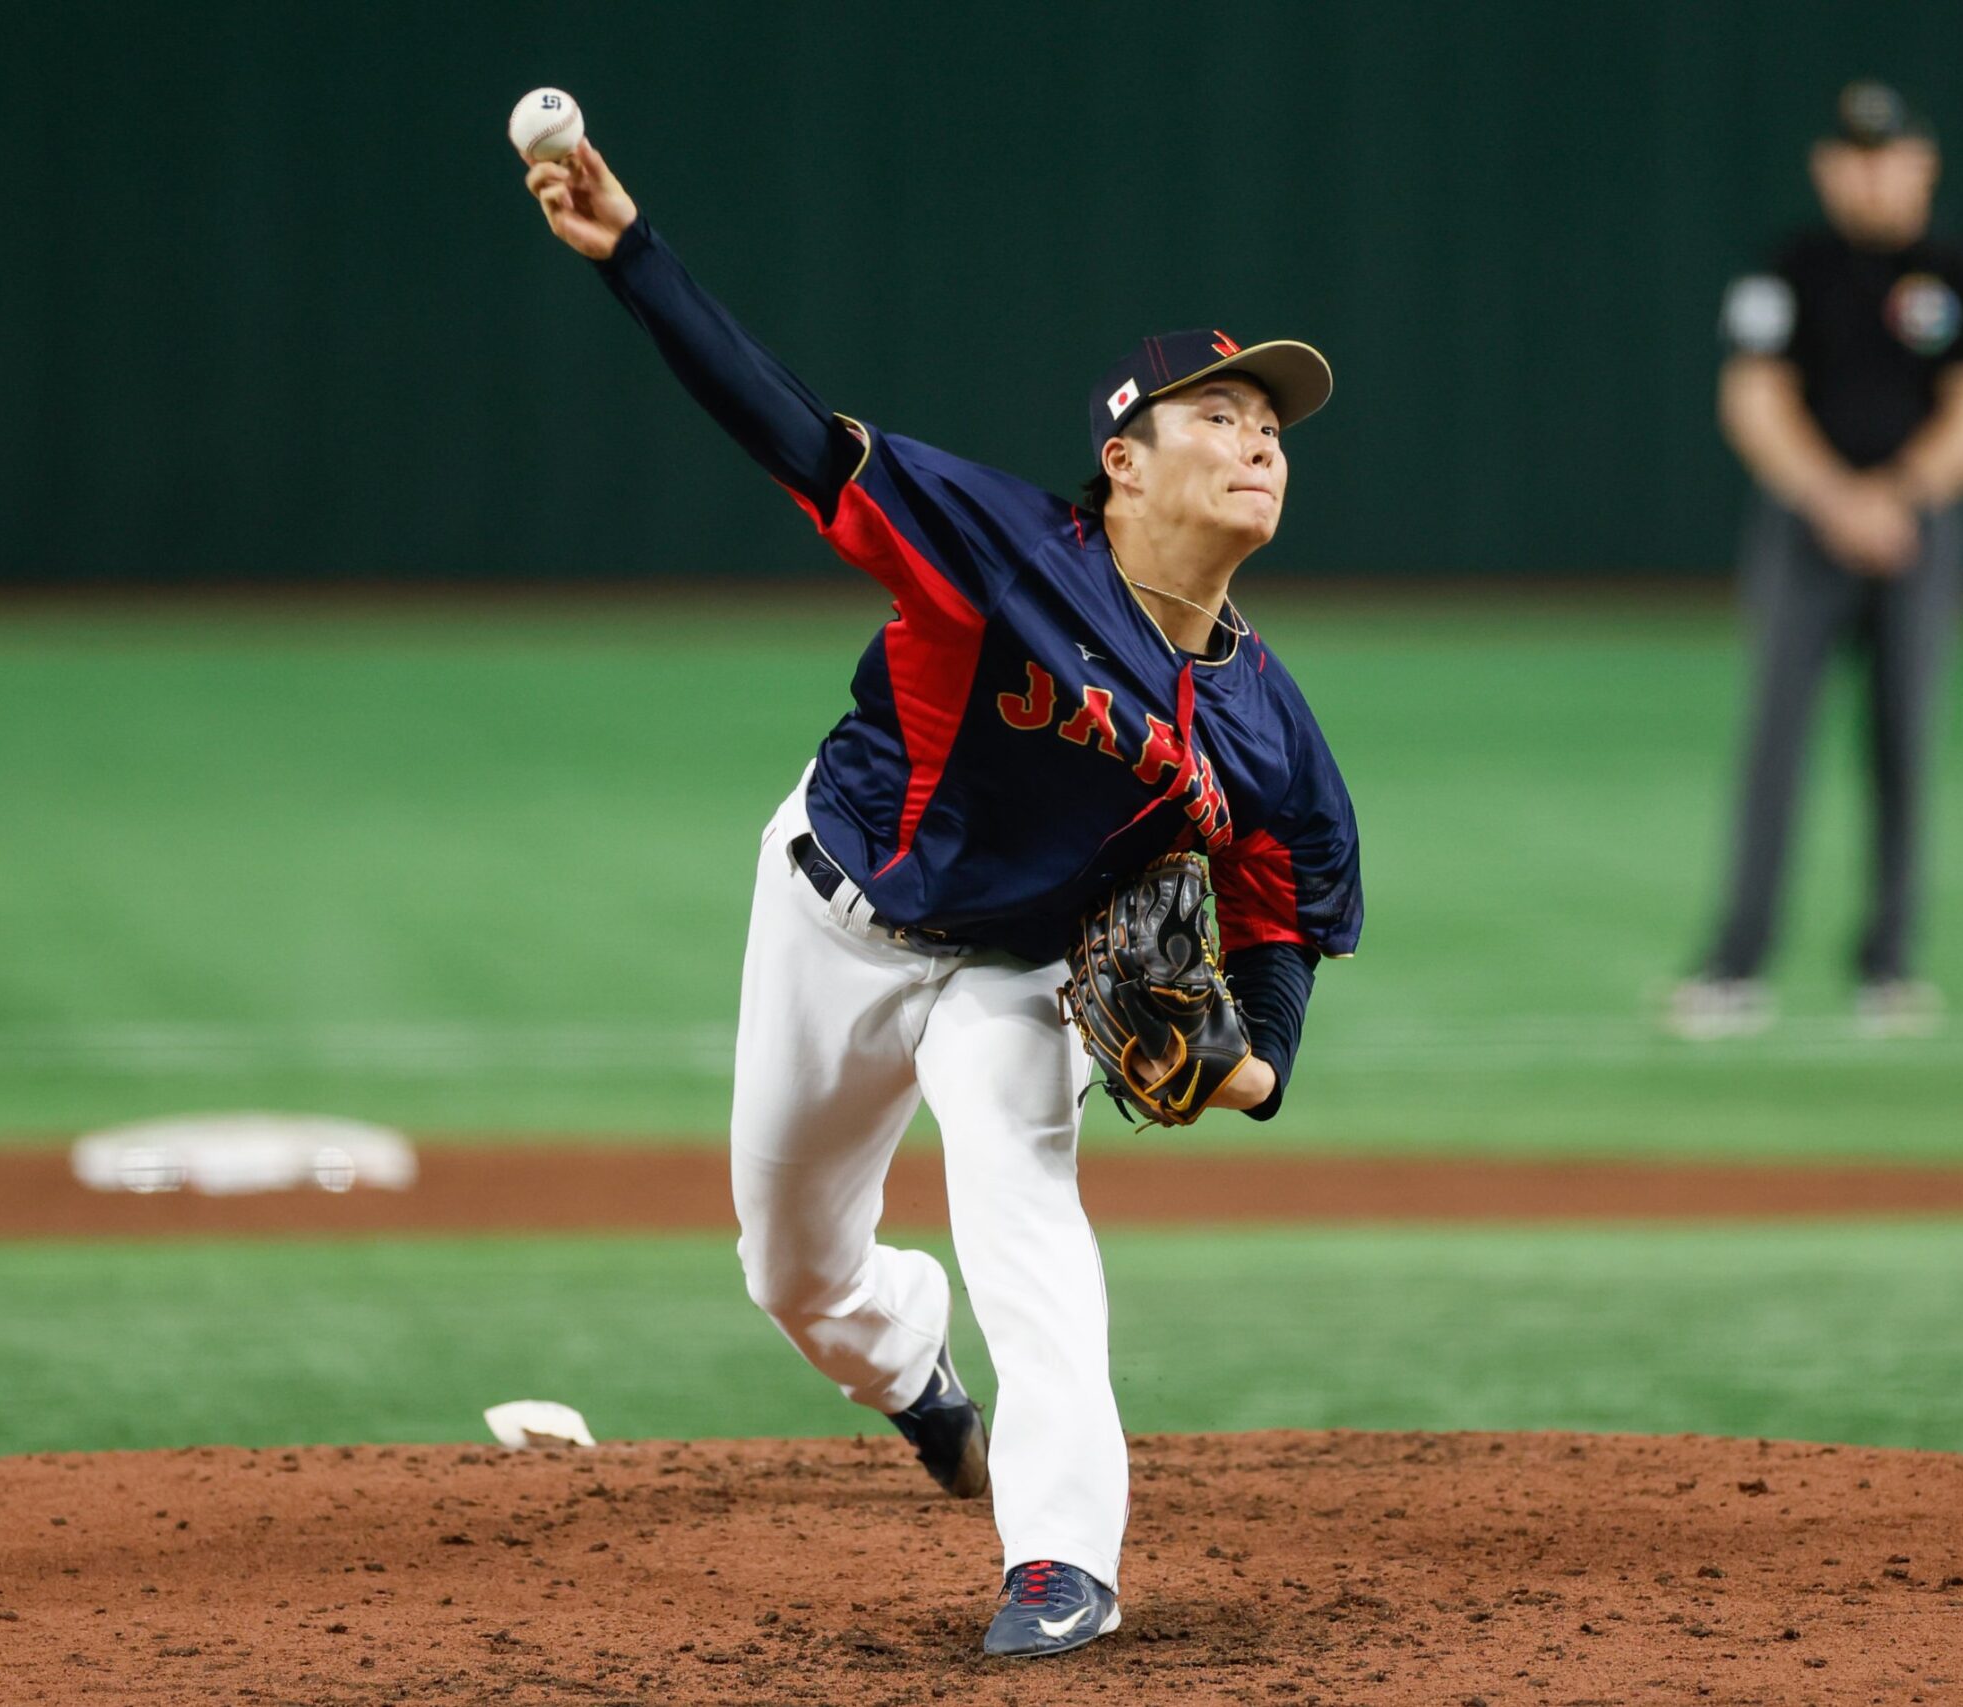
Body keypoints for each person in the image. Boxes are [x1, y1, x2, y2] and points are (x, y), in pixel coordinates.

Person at [520, 139, 1363, 1656]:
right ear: (1124, 459)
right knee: (789, 1265)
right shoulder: (996, 545)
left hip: (1018, 973)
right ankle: (913, 1376)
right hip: (831, 911)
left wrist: (1258, 1064)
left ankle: (1061, 1559)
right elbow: (784, 431)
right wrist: (632, 253)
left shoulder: (1270, 727)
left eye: (1273, 428)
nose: (1260, 444)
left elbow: (1284, 908)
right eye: (1220, 418)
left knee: (1027, 1216)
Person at [1670, 80, 1963, 1041]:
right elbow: (1754, 397)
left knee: (1905, 742)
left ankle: (1890, 966)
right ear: (1829, 168)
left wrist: (1899, 494)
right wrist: (1835, 497)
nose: (1870, 174)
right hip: (1803, 529)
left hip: (1922, 530)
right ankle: (1737, 964)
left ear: (1923, 166)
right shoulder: (1790, 268)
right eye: (1853, 156)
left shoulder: (1956, 273)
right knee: (1776, 745)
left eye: (1890, 155)